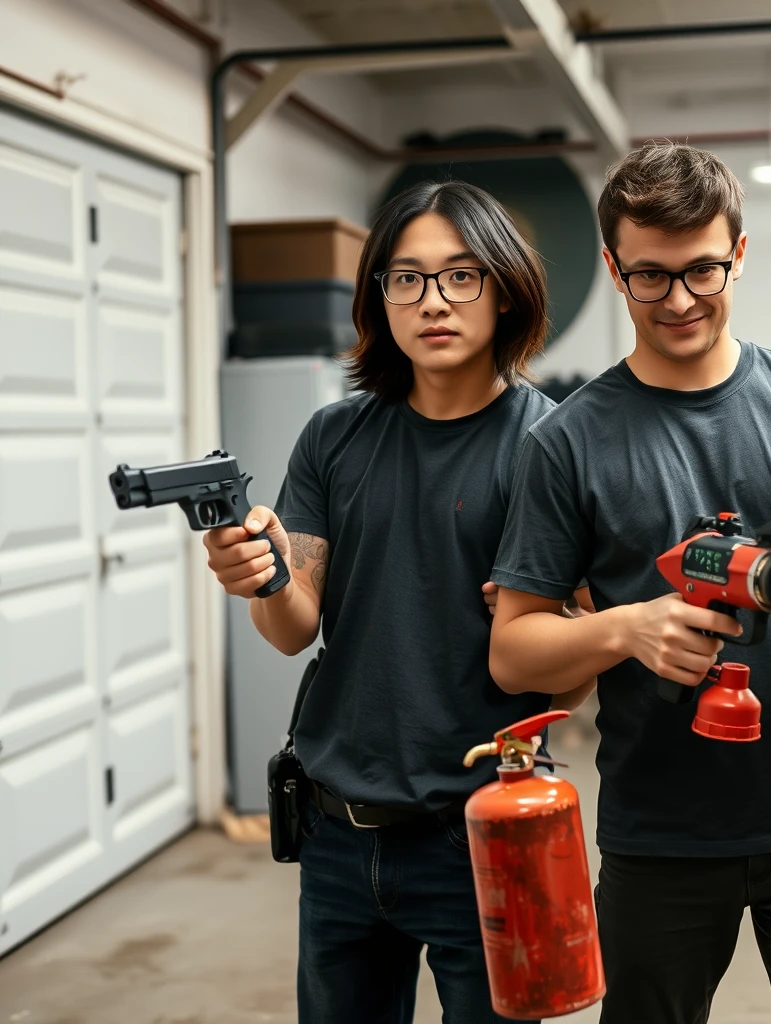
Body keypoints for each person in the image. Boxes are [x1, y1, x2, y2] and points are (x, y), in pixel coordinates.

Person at [488, 142, 771, 1024]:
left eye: (702, 269)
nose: (681, 299)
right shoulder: (566, 443)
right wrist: (627, 629)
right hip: (661, 837)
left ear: (739, 252)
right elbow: (514, 653)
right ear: (614, 269)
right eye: (650, 277)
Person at [202, 180, 593, 1024]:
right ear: (378, 298)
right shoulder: (334, 437)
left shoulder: (552, 446)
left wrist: (571, 630)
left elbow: (572, 687)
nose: (432, 302)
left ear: (504, 287)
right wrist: (262, 575)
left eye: (460, 276)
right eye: (405, 279)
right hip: (339, 833)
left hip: (486, 833)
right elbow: (290, 628)